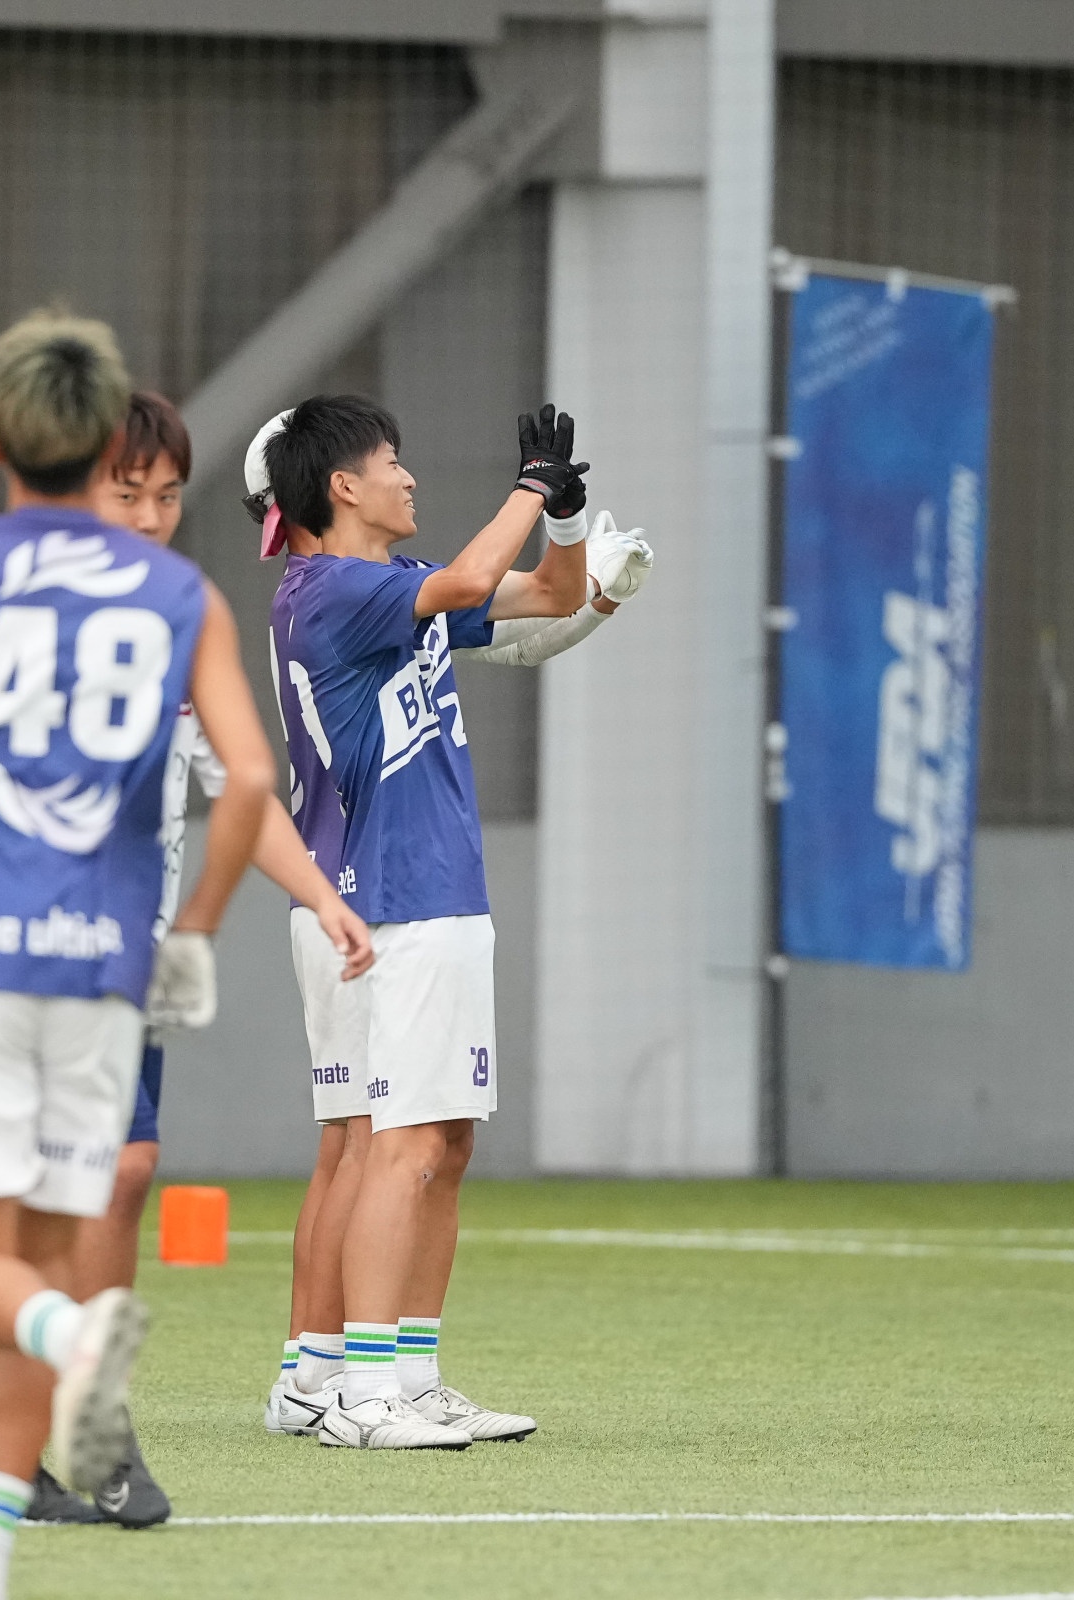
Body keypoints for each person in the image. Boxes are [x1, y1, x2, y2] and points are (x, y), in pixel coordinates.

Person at [0, 310, 293, 1600]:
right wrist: (195, 935)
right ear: (101, 450)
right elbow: (250, 780)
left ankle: (75, 1340)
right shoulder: (179, 593)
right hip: (102, 970)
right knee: (35, 1251)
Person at [255, 400, 653, 1444]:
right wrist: (531, 484)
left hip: (373, 894)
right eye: (391, 460)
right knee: (406, 1144)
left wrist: (566, 521)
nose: (408, 476)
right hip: (400, 896)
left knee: (402, 1143)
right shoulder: (341, 587)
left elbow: (549, 595)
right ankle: (368, 1392)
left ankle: (345, 1375)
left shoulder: (372, 588)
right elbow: (479, 580)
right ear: (341, 485)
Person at [24, 392, 374, 1526]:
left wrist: (321, 895)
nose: (150, 515)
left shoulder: (181, 624)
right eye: (126, 493)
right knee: (87, 1180)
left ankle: (83, 1425)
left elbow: (241, 787)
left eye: (168, 496)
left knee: (122, 1175)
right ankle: (53, 1435)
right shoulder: (17, 611)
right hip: (29, 944)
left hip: (131, 954)